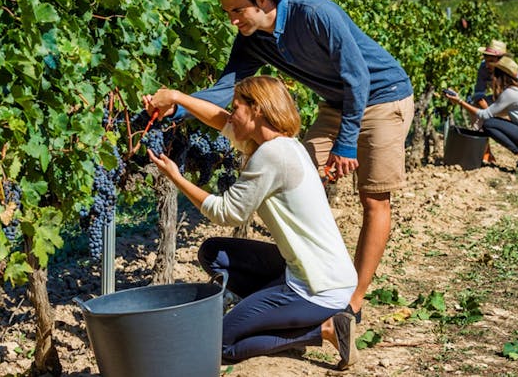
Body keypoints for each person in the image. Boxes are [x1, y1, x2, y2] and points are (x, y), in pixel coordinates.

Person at [146, 0, 414, 323]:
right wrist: (174, 111)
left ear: (264, 0)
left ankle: (352, 304)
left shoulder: (316, 14)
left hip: (382, 95)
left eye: (238, 10)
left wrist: (347, 142)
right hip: (336, 103)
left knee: (373, 197)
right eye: (228, 12)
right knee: (297, 173)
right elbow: (226, 88)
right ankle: (312, 279)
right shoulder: (251, 39)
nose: (233, 20)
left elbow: (357, 76)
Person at [144, 76, 359, 369]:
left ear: (257, 108)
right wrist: (177, 98)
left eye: (236, 108)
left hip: (318, 288)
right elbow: (222, 122)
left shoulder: (271, 156)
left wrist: (177, 178)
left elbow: (226, 214)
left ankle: (323, 329)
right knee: (213, 252)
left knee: (216, 344)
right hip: (319, 271)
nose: (230, 115)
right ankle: (263, 314)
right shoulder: (286, 145)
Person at [444, 57, 518, 173]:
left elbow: (485, 115)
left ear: (499, 76)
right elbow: (498, 113)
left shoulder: (510, 93)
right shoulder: (515, 91)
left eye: (493, 74)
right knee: (492, 122)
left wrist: (459, 101)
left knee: (489, 124)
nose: (491, 78)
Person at [469, 39, 518, 164]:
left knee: (516, 125)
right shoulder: (483, 68)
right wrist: (485, 108)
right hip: (499, 99)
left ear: (501, 60)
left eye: (491, 61)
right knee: (476, 110)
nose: (486, 64)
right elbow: (478, 92)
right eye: (485, 59)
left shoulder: (513, 70)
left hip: (516, 101)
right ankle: (485, 153)